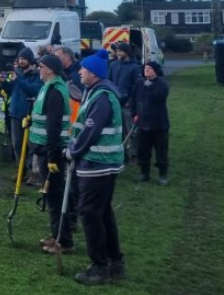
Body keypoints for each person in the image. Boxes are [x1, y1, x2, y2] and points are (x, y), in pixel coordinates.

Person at [66, 49, 125, 285]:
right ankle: (115, 261)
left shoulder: (101, 96)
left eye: (83, 69)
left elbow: (91, 131)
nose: (79, 71)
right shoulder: (96, 92)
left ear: (92, 72)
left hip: (97, 164)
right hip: (103, 163)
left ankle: (99, 267)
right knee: (104, 213)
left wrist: (73, 151)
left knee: (90, 214)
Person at [30, 54, 74, 255]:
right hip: (44, 149)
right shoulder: (46, 87)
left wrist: (53, 158)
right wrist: (30, 122)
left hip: (52, 153)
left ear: (51, 69)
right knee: (52, 197)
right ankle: (56, 234)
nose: (39, 68)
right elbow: (44, 116)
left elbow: (54, 127)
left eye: (42, 66)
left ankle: (63, 240)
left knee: (56, 197)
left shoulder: (55, 91)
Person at [0, 47, 43, 172]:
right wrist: (4, 83)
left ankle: (32, 171)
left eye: (24, 58)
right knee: (16, 144)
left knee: (31, 145)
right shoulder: (17, 73)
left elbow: (33, 90)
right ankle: (21, 170)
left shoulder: (36, 76)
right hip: (15, 113)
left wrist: (18, 80)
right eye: (19, 58)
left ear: (30, 60)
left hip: (29, 115)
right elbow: (11, 90)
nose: (21, 61)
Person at [129, 61, 170, 185]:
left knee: (161, 152)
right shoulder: (139, 83)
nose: (147, 70)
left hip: (159, 125)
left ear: (155, 71)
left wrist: (150, 85)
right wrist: (134, 113)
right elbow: (134, 99)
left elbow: (159, 97)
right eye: (145, 68)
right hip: (142, 124)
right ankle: (144, 173)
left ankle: (163, 175)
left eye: (150, 68)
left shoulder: (162, 84)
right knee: (143, 151)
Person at [108, 42, 140, 153]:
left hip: (127, 104)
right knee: (118, 129)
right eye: (117, 51)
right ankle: (122, 154)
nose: (118, 53)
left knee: (131, 130)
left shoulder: (135, 67)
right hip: (115, 101)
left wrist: (130, 100)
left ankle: (135, 153)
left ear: (127, 52)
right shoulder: (113, 65)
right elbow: (109, 82)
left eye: (120, 51)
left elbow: (137, 86)